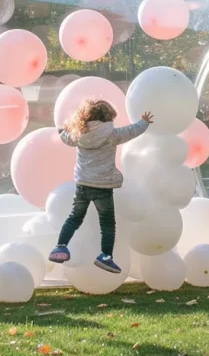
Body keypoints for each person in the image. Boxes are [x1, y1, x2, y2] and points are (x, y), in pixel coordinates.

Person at [48, 99, 153, 274]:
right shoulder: (112, 135)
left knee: (74, 218)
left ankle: (60, 247)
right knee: (107, 223)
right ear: (108, 116)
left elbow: (65, 137)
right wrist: (144, 122)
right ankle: (105, 256)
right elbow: (132, 131)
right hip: (103, 187)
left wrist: (61, 130)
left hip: (83, 185)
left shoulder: (78, 134)